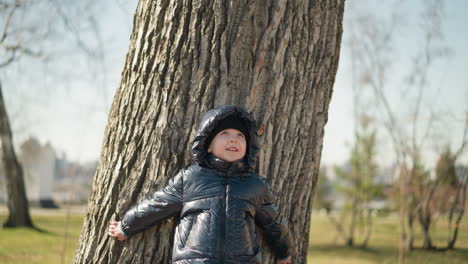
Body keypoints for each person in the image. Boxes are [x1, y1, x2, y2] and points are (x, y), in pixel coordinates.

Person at [108, 105, 292, 264]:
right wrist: (127, 225)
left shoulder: (254, 185)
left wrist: (283, 252)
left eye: (240, 135)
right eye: (224, 133)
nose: (233, 139)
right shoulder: (191, 178)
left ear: (248, 147)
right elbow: (158, 204)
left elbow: (274, 223)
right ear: (208, 145)